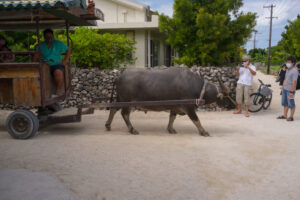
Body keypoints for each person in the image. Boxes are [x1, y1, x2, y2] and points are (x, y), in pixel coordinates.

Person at [33, 29, 71, 97]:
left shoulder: (58, 43)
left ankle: (58, 91)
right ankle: (39, 93)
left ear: (53, 36)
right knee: (37, 75)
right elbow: (35, 55)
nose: (49, 38)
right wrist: (33, 64)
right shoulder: (40, 45)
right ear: (44, 37)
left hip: (56, 64)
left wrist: (65, 60)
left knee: (58, 72)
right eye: (47, 36)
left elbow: (68, 50)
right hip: (44, 65)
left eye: (50, 36)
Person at [277, 56, 299, 121]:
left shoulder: (295, 71)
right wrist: (282, 88)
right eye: (287, 62)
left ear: (293, 63)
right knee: (285, 103)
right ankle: (285, 115)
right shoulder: (288, 70)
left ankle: (291, 117)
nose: (287, 63)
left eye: (289, 62)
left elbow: (294, 82)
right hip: (285, 89)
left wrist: (292, 92)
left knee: (291, 103)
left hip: (290, 90)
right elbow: (285, 79)